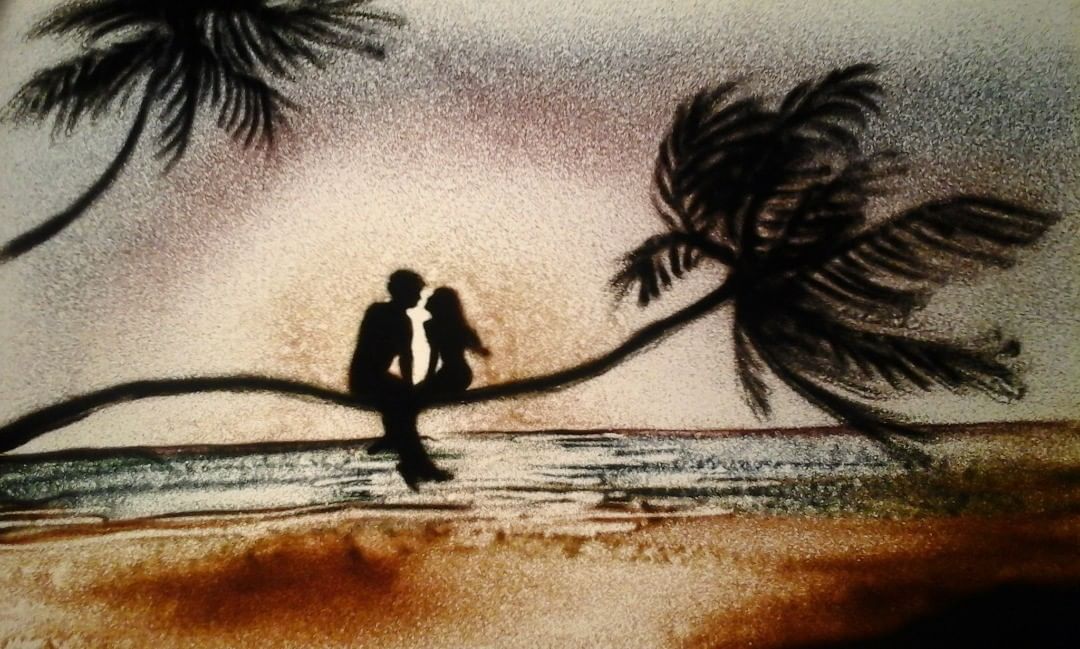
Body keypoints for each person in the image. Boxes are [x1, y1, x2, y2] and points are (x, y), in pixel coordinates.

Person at [349, 269, 451, 488]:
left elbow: (406, 358)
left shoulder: (387, 314)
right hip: (366, 379)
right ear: (403, 292)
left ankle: (405, 455)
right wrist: (408, 387)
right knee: (404, 406)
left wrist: (407, 386)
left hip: (371, 378)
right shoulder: (386, 315)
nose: (420, 297)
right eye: (416, 292)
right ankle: (417, 463)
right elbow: (404, 357)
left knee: (403, 411)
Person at [422, 287, 490, 399]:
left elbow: (434, 354)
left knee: (419, 394)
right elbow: (478, 347)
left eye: (433, 296)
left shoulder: (431, 326)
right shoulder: (457, 326)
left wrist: (428, 379)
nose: (429, 297)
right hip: (461, 374)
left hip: (453, 374)